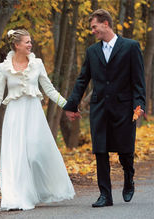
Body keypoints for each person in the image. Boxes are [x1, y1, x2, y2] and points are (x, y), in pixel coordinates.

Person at [0, 29, 75, 211]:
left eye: (30, 42)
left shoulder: (37, 64)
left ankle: (42, 190)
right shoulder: (4, 68)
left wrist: (67, 105)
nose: (30, 45)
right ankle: (16, 198)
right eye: (27, 42)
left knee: (34, 154)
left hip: (34, 115)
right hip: (14, 116)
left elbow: (49, 89)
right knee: (15, 158)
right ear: (17, 45)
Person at [63, 9, 146, 207]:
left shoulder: (131, 47)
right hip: (99, 109)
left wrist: (139, 104)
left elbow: (138, 80)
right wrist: (71, 105)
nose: (93, 31)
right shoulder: (92, 51)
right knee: (100, 151)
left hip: (124, 109)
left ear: (106, 24)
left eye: (94, 27)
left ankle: (129, 177)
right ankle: (105, 196)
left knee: (125, 151)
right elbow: (83, 79)